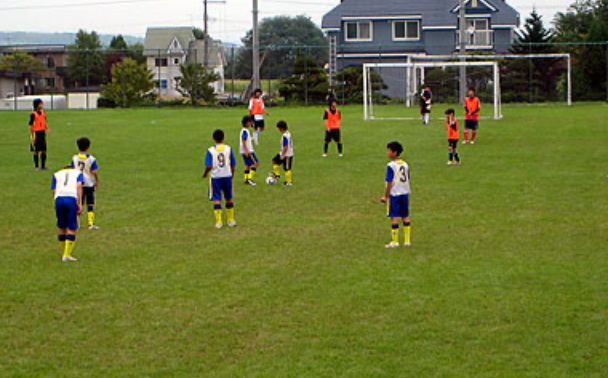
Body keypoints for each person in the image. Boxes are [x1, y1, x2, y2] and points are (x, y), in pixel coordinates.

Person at [203, 129, 237, 229]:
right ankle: (231, 220)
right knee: (229, 197)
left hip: (216, 177)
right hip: (227, 175)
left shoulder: (210, 151)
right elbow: (233, 164)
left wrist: (205, 173)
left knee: (217, 198)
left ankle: (219, 222)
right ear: (224, 138)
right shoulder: (228, 149)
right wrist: (232, 176)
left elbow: (209, 166)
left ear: (213, 139)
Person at [380, 141, 411, 249]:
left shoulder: (391, 166)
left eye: (389, 150)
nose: (387, 153)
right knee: (405, 216)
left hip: (395, 194)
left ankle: (395, 242)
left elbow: (389, 181)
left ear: (394, 152)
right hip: (405, 193)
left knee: (394, 217)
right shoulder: (405, 164)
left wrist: (386, 196)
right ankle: (407, 241)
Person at [52, 165, 84, 262]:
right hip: (71, 198)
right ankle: (67, 254)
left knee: (62, 226)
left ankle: (64, 252)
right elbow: (79, 185)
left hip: (59, 199)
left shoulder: (56, 174)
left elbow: (54, 189)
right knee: (72, 226)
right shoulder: (77, 173)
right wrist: (80, 203)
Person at [71, 137, 100, 230]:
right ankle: (90, 223)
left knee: (79, 203)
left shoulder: (75, 158)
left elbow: (72, 169)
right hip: (88, 183)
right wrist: (97, 181)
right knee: (90, 203)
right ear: (88, 147)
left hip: (78, 183)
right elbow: (94, 171)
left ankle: (76, 223)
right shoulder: (91, 159)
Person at [29, 99, 51, 171]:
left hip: (42, 132)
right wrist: (32, 136)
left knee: (44, 149)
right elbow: (31, 125)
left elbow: (44, 121)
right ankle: (36, 166)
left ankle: (43, 166)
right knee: (37, 150)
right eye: (40, 104)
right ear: (37, 105)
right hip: (37, 133)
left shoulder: (42, 112)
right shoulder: (33, 114)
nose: (41, 105)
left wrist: (47, 128)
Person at [271, 121, 294, 187]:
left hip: (287, 154)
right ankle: (277, 175)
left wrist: (283, 155)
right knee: (274, 161)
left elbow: (286, 146)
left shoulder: (285, 136)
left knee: (287, 168)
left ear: (281, 128)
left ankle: (289, 182)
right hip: (283, 152)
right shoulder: (288, 133)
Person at [240, 115, 259, 186]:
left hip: (243, 151)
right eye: (250, 122)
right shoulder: (245, 131)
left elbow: (246, 139)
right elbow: (243, 140)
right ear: (247, 123)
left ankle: (246, 179)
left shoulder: (243, 130)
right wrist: (246, 150)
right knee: (256, 163)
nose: (251, 123)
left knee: (247, 164)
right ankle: (250, 179)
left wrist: (251, 138)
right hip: (248, 151)